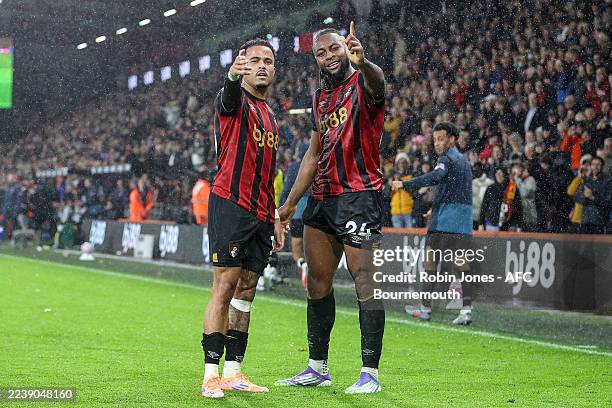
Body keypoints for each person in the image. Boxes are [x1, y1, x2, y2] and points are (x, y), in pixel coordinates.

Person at [277, 22, 386, 394]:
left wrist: (364, 62)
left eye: (334, 48)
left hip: (360, 195)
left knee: (364, 281)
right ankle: (317, 367)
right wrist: (290, 204)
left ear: (346, 48)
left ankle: (370, 373)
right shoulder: (318, 99)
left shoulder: (364, 84)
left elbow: (379, 84)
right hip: (322, 198)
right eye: (321, 53)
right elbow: (313, 154)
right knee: (317, 283)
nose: (328, 56)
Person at [201, 39, 285, 399]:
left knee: (247, 291)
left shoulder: (272, 116)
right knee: (224, 287)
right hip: (231, 205)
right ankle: (210, 374)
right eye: (255, 61)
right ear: (243, 66)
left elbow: (267, 171)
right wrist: (232, 76)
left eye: (268, 61)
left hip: (262, 213)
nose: (262, 66)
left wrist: (275, 214)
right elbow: (228, 96)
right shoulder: (233, 101)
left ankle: (234, 371)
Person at [392, 122, 475, 325]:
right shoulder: (463, 161)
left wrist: (405, 184)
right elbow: (456, 190)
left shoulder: (446, 158)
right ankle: (466, 311)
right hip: (462, 221)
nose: (437, 143)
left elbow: (436, 176)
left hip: (444, 223)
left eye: (441, 139)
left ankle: (425, 309)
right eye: (435, 139)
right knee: (462, 264)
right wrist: (436, 208)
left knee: (430, 261)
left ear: (452, 139)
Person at [574, 156, 610, 234]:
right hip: (585, 220)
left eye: (598, 164)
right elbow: (577, 197)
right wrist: (585, 197)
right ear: (590, 166)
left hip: (600, 221)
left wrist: (593, 197)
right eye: (593, 164)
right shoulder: (586, 180)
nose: (595, 167)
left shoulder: (608, 181)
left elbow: (608, 202)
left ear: (602, 166)